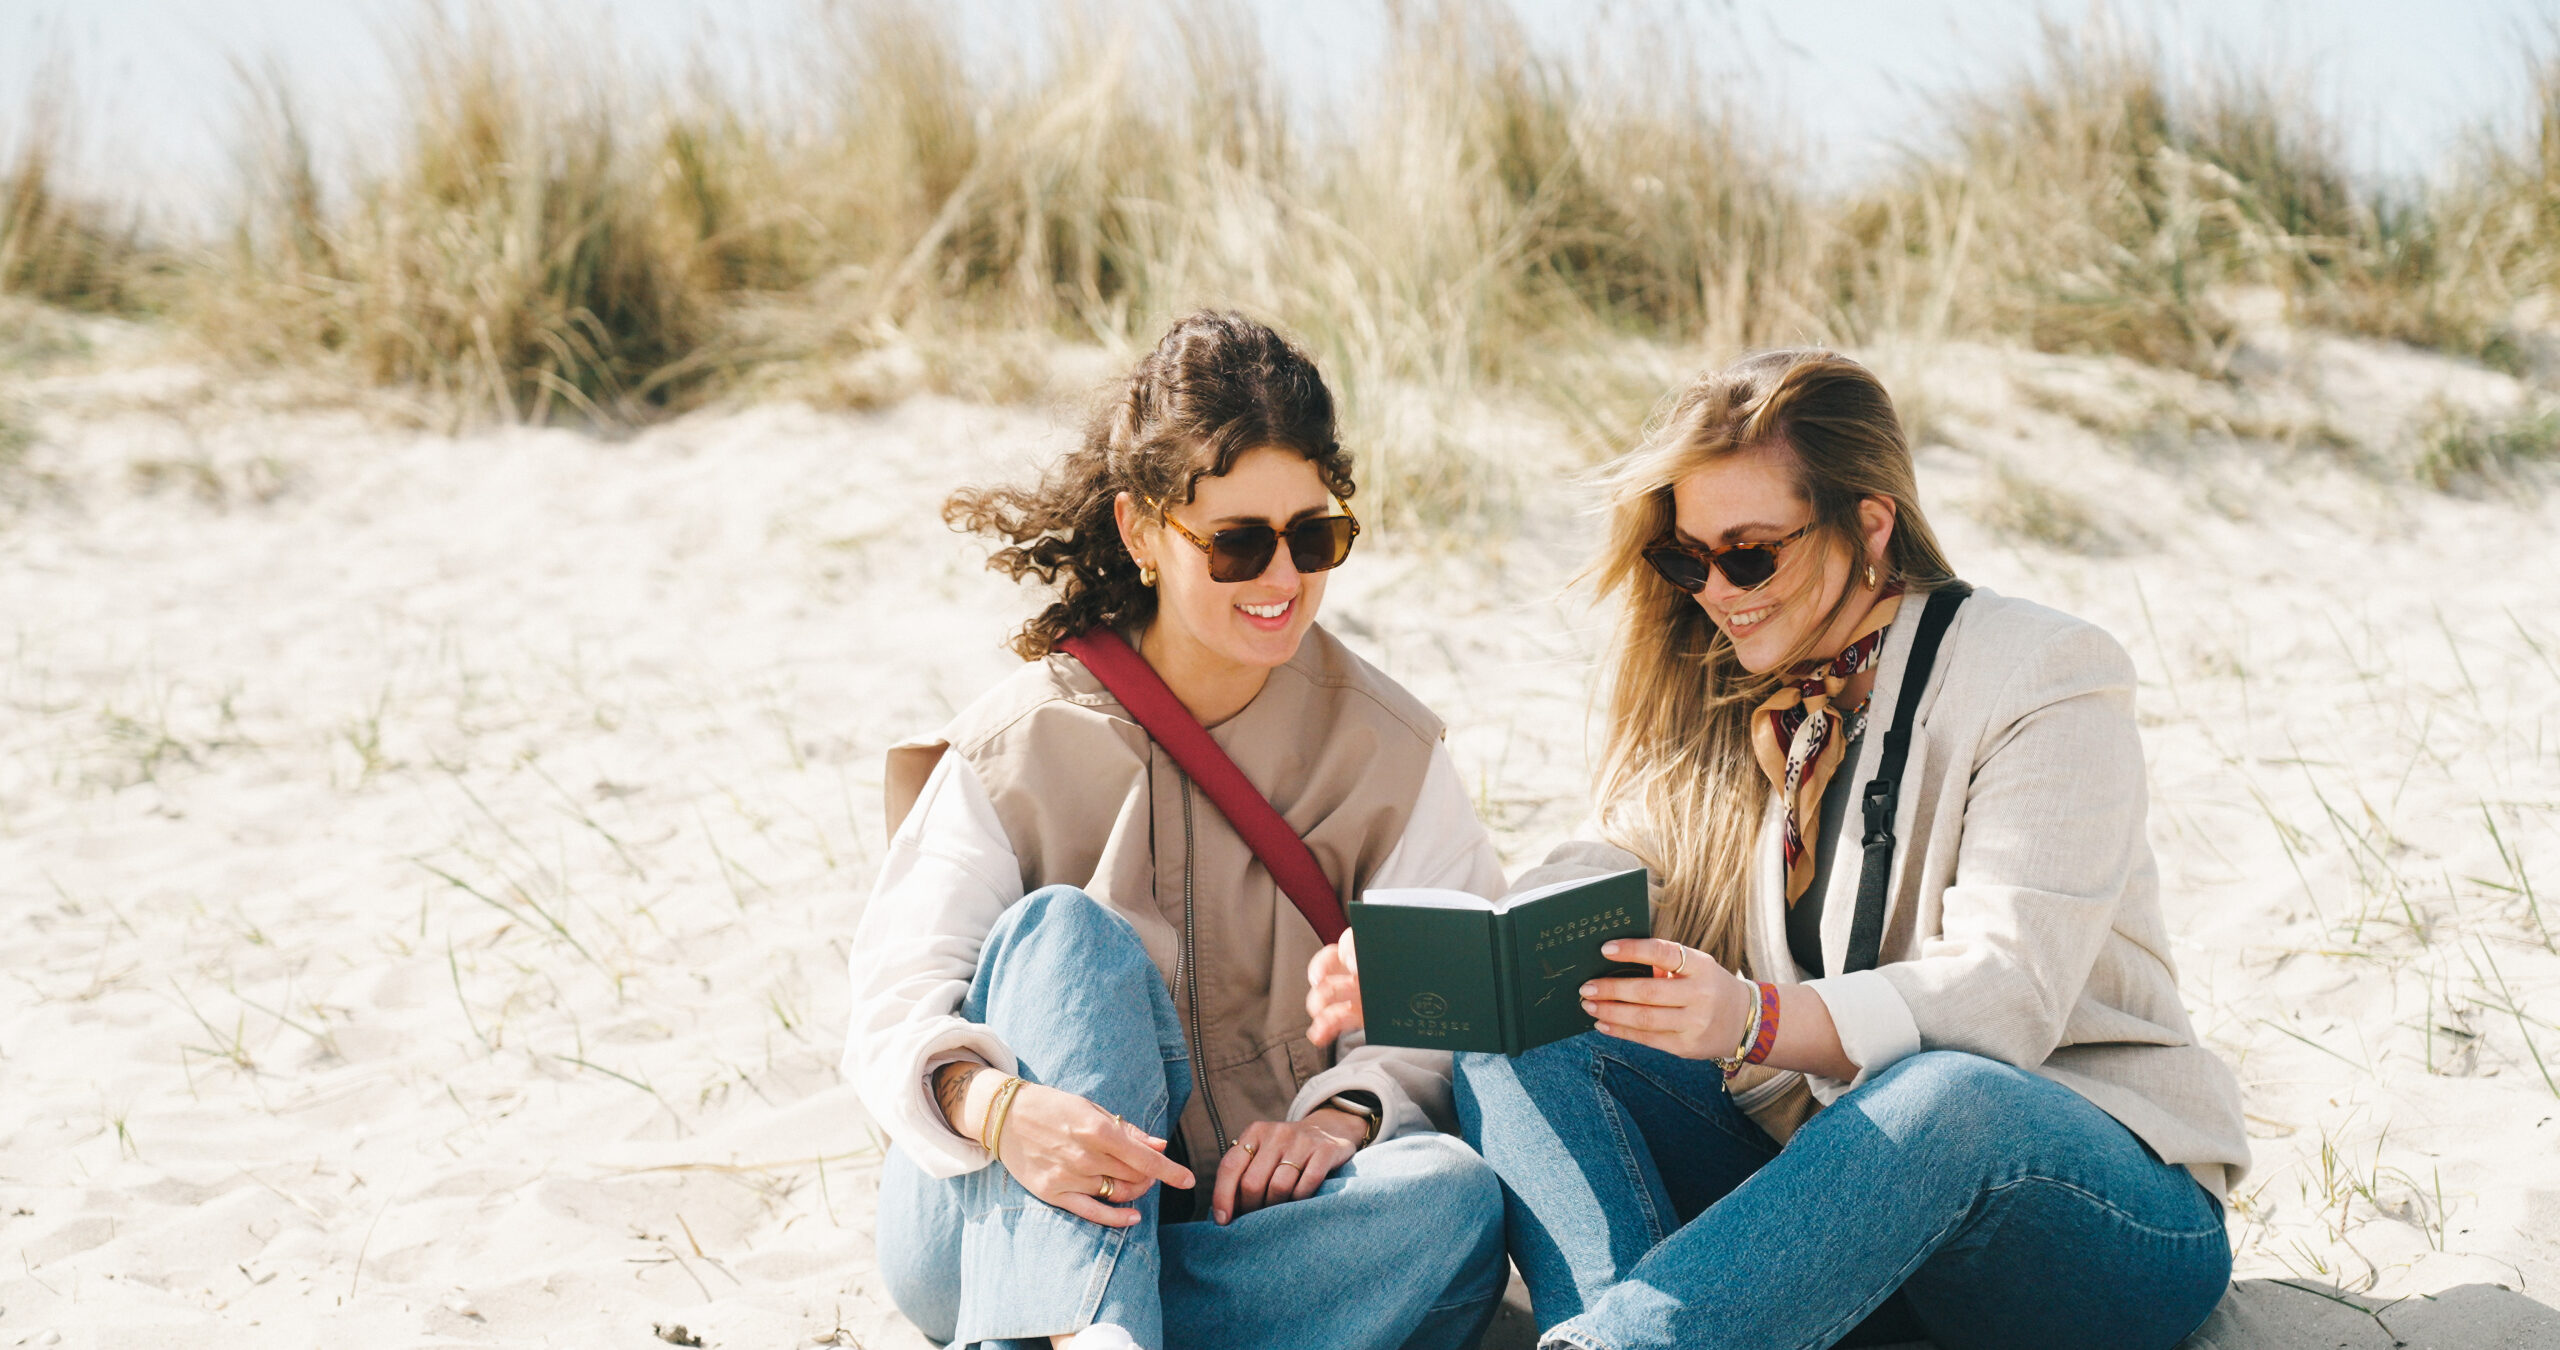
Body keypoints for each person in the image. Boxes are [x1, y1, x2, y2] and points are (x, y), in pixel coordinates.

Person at [1307, 349, 2250, 1350]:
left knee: (1945, 1095)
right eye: (1687, 559)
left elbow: (2002, 995)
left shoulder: (2041, 673)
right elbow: (1610, 857)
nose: (1716, 589)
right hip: (1829, 1227)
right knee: (1518, 1034)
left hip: (2080, 1216)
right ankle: (1614, 1332)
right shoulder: (1727, 688)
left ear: (1869, 525)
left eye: (1750, 553)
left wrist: (1757, 1019)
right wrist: (1454, 960)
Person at [849, 311, 1509, 1350]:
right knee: (1065, 931)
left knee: (1453, 1200)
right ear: (1142, 530)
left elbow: (1449, 1005)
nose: (1282, 579)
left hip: (1251, 1227)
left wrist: (1345, 1116)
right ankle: (1089, 1315)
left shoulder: (1391, 748)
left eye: (1313, 535)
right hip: (992, 1219)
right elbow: (891, 1009)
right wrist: (1002, 1114)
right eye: (1238, 544)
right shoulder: (1011, 746)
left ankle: (1092, 1329)